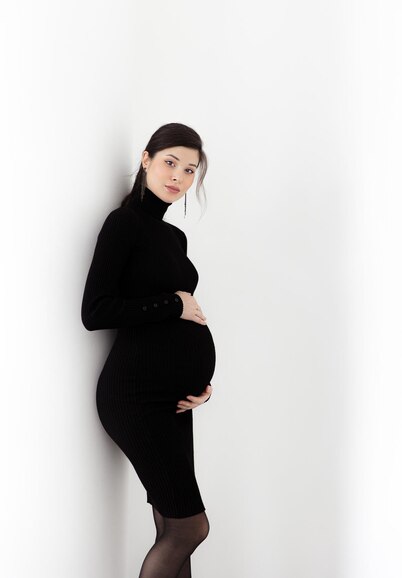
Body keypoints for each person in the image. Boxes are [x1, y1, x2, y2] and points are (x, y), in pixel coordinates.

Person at [81, 123, 216, 578]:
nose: (178, 176)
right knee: (190, 528)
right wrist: (174, 302)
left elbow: (176, 328)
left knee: (172, 524)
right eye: (170, 162)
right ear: (146, 160)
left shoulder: (174, 238)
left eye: (189, 169)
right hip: (134, 396)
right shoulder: (124, 225)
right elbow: (96, 310)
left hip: (174, 403)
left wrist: (202, 383)